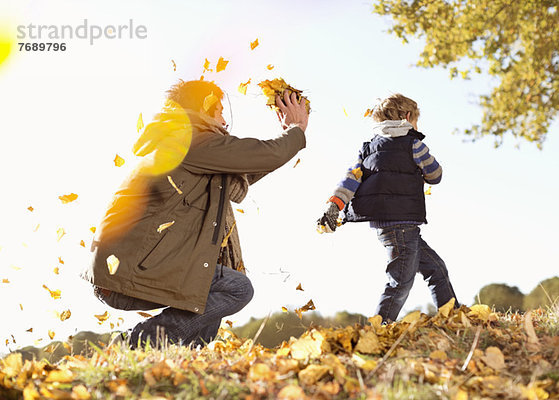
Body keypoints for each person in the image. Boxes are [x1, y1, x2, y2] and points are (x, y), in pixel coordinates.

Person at [83, 79, 309, 347]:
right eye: (220, 111)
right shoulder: (189, 139)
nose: (225, 121)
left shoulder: (185, 140)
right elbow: (263, 154)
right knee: (236, 288)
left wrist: (288, 137)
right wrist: (296, 130)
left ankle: (181, 359)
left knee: (206, 292)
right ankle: (136, 342)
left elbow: (249, 166)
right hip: (127, 271)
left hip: (126, 268)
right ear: (205, 108)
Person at [317, 93, 458, 323]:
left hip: (389, 227)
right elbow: (435, 175)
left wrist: (334, 206)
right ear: (409, 117)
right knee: (400, 281)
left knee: (436, 268)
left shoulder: (368, 149)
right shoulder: (414, 144)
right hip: (403, 222)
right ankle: (379, 328)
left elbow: (350, 180)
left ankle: (453, 316)